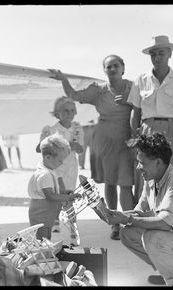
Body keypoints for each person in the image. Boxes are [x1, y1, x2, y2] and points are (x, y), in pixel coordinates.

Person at [49, 54, 136, 240]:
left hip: (127, 139)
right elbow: (73, 95)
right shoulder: (99, 91)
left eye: (115, 65)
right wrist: (64, 79)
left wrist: (129, 102)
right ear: (104, 71)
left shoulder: (132, 87)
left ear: (123, 68)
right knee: (111, 182)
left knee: (127, 184)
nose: (112, 69)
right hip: (105, 139)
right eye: (108, 67)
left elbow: (145, 106)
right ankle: (114, 225)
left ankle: (130, 223)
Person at [106, 133, 173, 286]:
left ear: (158, 162)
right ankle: (171, 272)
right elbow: (138, 212)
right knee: (128, 232)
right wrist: (114, 215)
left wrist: (127, 218)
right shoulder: (151, 180)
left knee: (152, 237)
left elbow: (167, 223)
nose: (138, 167)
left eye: (142, 163)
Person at [128, 35, 173, 205]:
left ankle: (167, 217)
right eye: (153, 54)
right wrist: (136, 139)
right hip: (147, 130)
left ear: (169, 54)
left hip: (172, 131)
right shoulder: (140, 80)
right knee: (145, 177)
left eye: (161, 53)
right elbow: (135, 113)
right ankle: (144, 217)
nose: (156, 58)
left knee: (170, 175)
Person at [36, 96, 84, 246]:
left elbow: (81, 148)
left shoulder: (77, 128)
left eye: (71, 110)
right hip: (55, 168)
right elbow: (39, 148)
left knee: (69, 197)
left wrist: (73, 146)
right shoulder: (51, 130)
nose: (69, 114)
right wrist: (55, 144)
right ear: (57, 113)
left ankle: (73, 231)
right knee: (56, 197)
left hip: (70, 167)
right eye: (65, 111)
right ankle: (53, 225)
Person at [28, 133, 81, 241]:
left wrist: (64, 192)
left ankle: (45, 255)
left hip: (45, 215)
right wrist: (68, 198)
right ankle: (42, 256)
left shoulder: (48, 170)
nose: (61, 163)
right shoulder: (45, 175)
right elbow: (50, 195)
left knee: (46, 239)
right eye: (60, 160)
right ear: (48, 157)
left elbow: (52, 191)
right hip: (41, 214)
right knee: (42, 240)